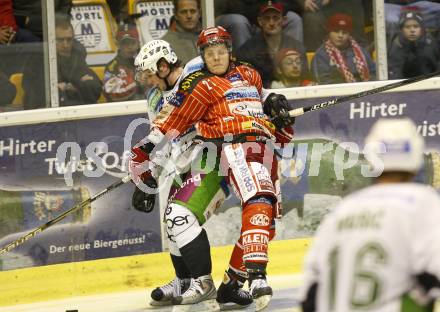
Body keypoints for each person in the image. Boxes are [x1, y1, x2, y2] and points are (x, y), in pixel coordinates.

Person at [130, 26, 295, 311]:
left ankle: (234, 280)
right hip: (193, 156)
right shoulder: (155, 99)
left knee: (261, 212)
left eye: (148, 74)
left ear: (163, 65)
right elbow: (166, 131)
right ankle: (189, 280)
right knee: (175, 214)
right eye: (211, 52)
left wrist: (271, 99)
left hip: (218, 153)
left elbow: (246, 89)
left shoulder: (199, 68)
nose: (147, 81)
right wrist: (147, 174)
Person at [299, 118, 440, 311]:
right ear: (416, 157)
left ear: (371, 157)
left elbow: (310, 294)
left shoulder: (343, 210)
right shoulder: (424, 203)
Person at [22, 17, 102, 109]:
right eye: (60, 40)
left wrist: (66, 86)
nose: (65, 45)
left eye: (69, 40)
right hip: (46, 109)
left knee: (90, 85)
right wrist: (63, 87)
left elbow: (94, 84)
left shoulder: (78, 53)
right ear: (51, 39)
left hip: (74, 105)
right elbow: (30, 86)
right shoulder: (38, 57)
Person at [236, 1, 308, 88]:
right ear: (260, 21)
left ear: (284, 20)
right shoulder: (247, 51)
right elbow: (246, 82)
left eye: (276, 18)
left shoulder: (297, 47)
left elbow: (304, 75)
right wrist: (270, 86)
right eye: (267, 18)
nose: (271, 23)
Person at [310, 13, 376, 85]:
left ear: (349, 34)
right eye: (336, 31)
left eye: (344, 32)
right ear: (329, 32)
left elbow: (374, 73)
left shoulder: (360, 51)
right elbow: (323, 83)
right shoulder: (321, 55)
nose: (340, 35)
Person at [215, 0, 304, 50]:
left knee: (293, 18)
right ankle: (245, 67)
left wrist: (272, 8)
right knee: (239, 22)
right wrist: (262, 11)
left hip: (260, 15)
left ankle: (290, 61)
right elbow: (229, 6)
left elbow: (294, 5)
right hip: (230, 15)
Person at [387, 10, 440, 79]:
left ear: (421, 29)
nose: (412, 30)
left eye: (416, 26)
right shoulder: (396, 47)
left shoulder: (430, 45)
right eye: (407, 27)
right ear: (402, 30)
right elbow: (394, 75)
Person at [103, 24, 143, 102]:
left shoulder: (146, 64)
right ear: (119, 45)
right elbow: (112, 94)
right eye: (125, 43)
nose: (129, 47)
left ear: (138, 44)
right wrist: (137, 83)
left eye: (132, 43)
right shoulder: (111, 67)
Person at [161, 0, 202, 65]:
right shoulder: (164, 45)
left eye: (193, 11)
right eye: (183, 12)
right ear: (176, 14)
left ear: (199, 13)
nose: (189, 16)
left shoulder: (209, 36)